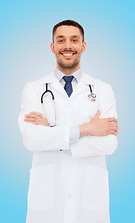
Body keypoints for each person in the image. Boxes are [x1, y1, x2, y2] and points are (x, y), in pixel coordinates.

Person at [18, 20, 119, 223]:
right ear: (52, 47)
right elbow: (31, 139)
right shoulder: (34, 89)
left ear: (83, 46)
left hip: (89, 201)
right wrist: (88, 129)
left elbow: (109, 143)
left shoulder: (102, 89)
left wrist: (52, 134)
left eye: (74, 40)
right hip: (47, 204)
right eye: (61, 40)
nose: (67, 46)